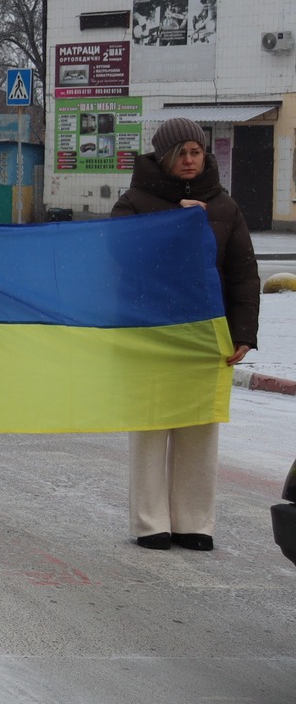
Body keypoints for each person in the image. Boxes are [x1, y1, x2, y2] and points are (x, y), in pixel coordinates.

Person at [110, 117, 259, 552]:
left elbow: (242, 275)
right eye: (181, 153)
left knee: (199, 427)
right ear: (163, 158)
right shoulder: (134, 202)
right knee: (151, 426)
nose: (189, 160)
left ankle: (194, 522)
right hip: (150, 330)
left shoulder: (224, 206)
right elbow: (120, 252)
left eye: (196, 152)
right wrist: (176, 223)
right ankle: (150, 522)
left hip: (206, 332)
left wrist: (243, 332)